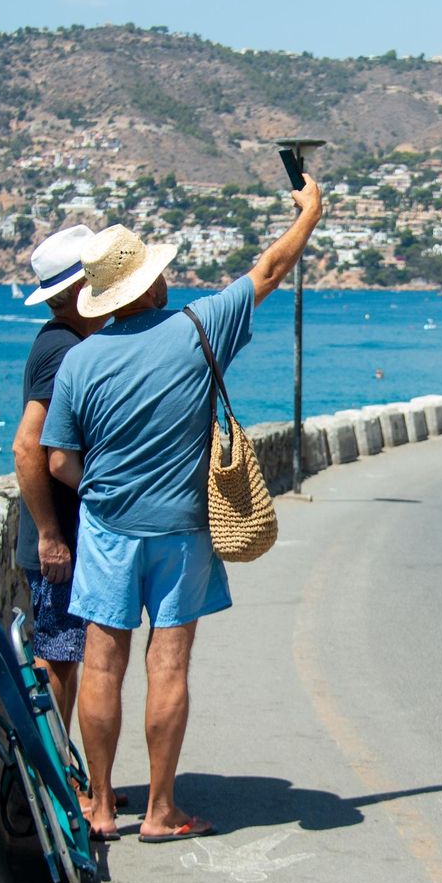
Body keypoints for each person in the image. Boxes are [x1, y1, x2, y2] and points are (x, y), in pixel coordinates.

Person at [43, 173, 322, 843]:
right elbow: (271, 267)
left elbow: (56, 459)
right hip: (184, 531)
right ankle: (162, 811)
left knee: (102, 664)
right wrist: (310, 212)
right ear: (156, 283)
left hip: (108, 530)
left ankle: (103, 806)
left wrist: (106, 492)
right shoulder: (200, 326)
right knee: (167, 665)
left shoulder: (80, 362)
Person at [11, 224, 108, 735]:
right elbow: (28, 446)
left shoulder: (66, 341)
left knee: (67, 656)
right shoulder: (62, 349)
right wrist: (50, 536)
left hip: (65, 538)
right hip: (58, 544)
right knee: (60, 661)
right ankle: (57, 789)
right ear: (76, 292)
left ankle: (66, 779)